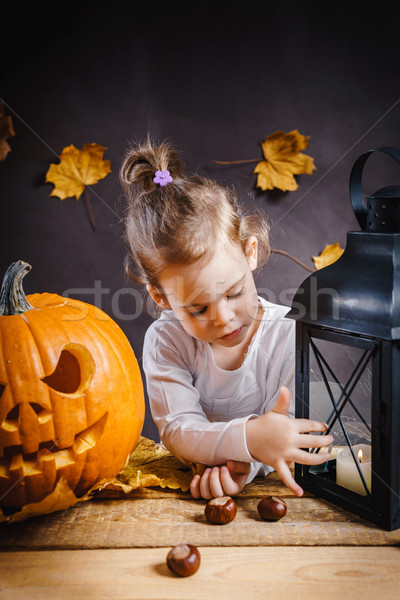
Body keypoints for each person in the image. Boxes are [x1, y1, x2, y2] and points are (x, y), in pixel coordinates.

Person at [120, 137, 333, 500]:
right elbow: (179, 429)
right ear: (161, 298)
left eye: (233, 292)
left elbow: (294, 435)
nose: (222, 318)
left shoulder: (289, 334)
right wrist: (248, 440)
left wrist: (246, 466)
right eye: (198, 309)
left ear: (250, 253)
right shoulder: (166, 341)